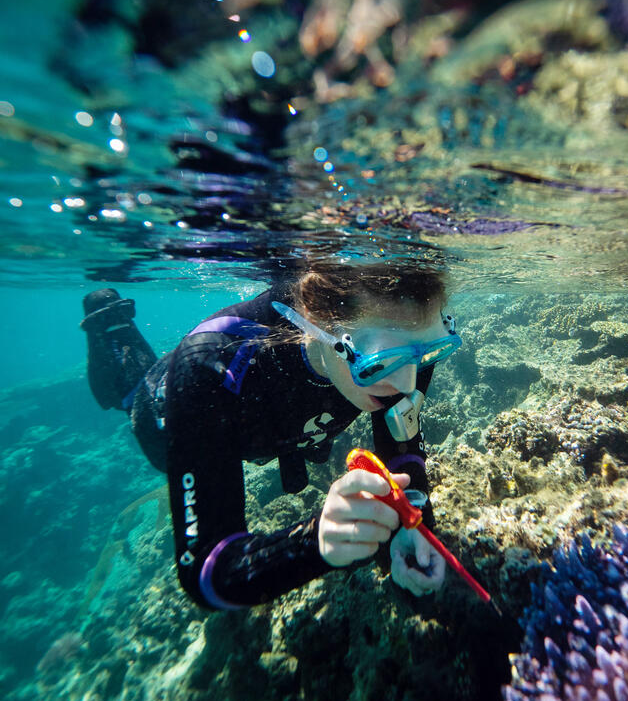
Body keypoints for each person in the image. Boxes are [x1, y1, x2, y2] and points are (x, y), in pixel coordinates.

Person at [80, 262, 463, 612]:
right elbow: (207, 574)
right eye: (382, 361)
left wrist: (414, 530)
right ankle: (110, 325)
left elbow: (400, 438)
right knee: (129, 392)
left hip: (288, 432)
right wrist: (313, 541)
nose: (408, 383)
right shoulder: (209, 367)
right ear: (317, 322)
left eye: (429, 353)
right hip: (165, 419)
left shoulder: (407, 348)